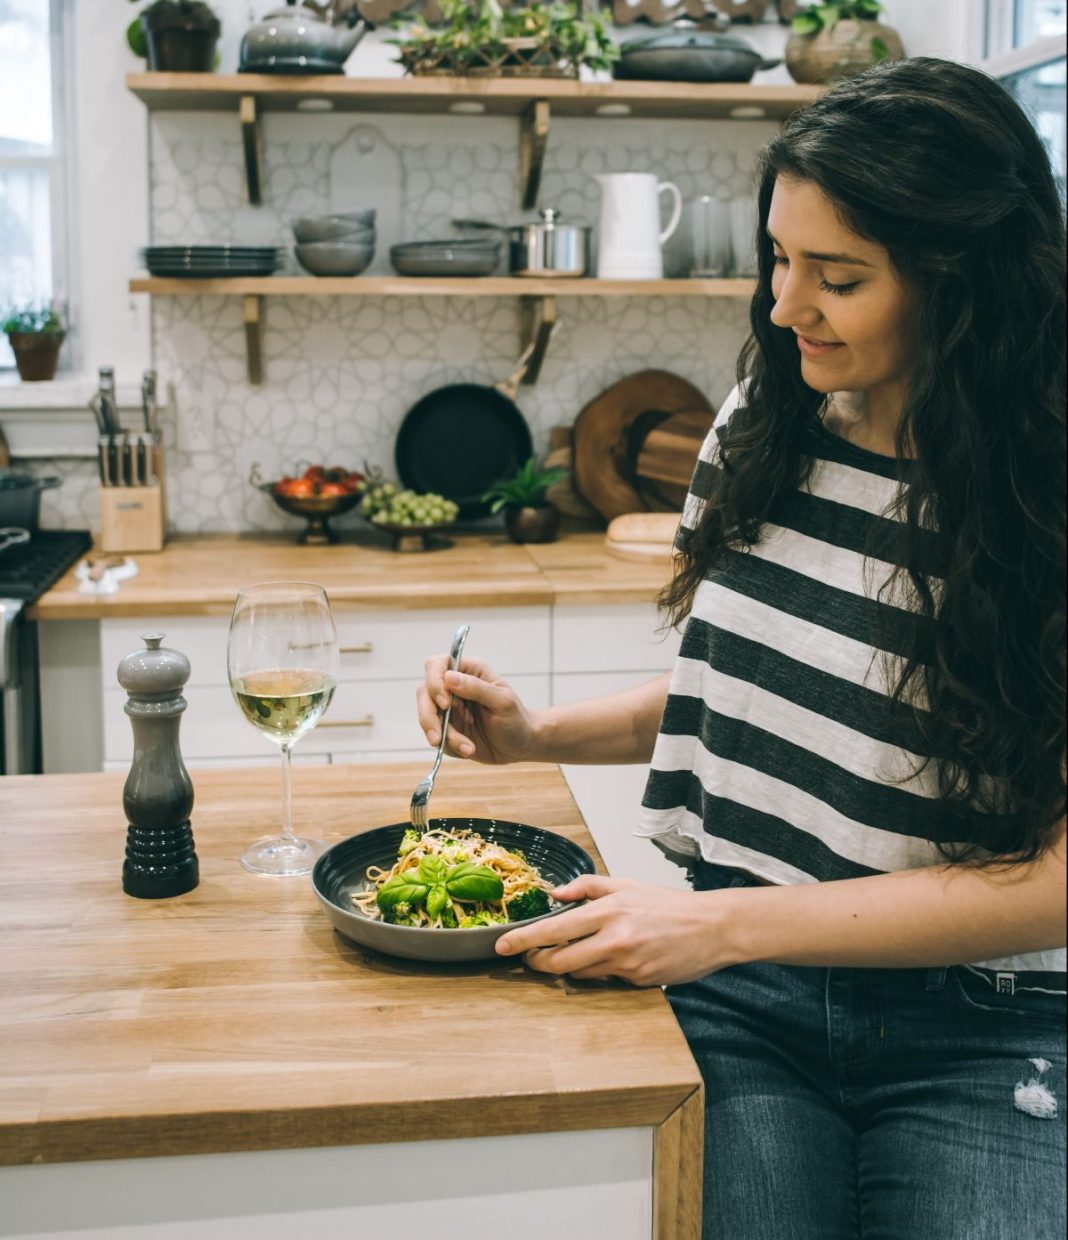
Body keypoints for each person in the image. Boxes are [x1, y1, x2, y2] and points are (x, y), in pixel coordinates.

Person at [416, 57, 1066, 1240]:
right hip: (746, 996)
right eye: (779, 257)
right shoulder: (766, 423)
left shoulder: (1043, 499)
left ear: (964, 280)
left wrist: (717, 924)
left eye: (839, 276)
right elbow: (767, 682)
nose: (784, 304)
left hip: (984, 1024)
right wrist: (535, 735)